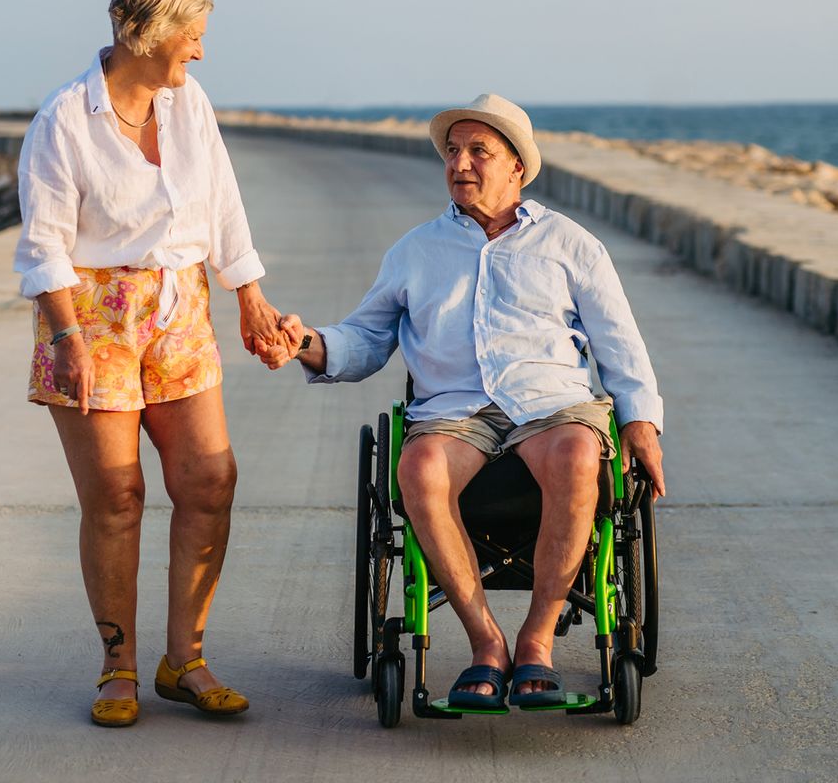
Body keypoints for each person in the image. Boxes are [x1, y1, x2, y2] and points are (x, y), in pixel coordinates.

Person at [266, 93, 666, 711]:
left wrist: (641, 424)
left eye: (480, 150)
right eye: (453, 151)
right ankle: (487, 645)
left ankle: (537, 642)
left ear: (517, 167)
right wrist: (306, 343)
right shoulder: (415, 250)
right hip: (453, 413)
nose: (461, 163)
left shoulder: (570, 244)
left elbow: (619, 342)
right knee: (418, 467)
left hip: (550, 406)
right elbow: (366, 338)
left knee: (577, 456)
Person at [15, 0, 289, 728]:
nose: (199, 52)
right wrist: (67, 336)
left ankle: (185, 660)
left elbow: (222, 200)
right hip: (89, 314)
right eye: (192, 37)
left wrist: (250, 294)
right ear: (148, 34)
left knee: (210, 478)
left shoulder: (187, 102)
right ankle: (118, 666)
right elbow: (43, 246)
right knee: (117, 496)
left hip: (180, 305)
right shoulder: (65, 120)